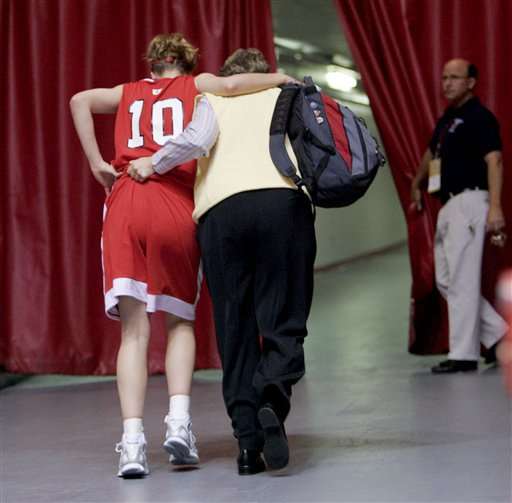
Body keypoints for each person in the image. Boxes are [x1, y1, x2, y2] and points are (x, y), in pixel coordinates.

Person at [69, 33, 296, 478]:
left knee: (133, 329)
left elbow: (78, 99)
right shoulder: (197, 86)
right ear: (188, 62)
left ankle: (132, 443)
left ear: (151, 62)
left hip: (125, 201)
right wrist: (281, 76)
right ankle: (178, 421)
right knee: (179, 321)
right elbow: (232, 87)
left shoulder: (125, 93)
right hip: (172, 200)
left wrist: (97, 161)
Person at [128, 48, 316, 475]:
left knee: (235, 329)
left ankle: (248, 446)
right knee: (284, 317)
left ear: (229, 76)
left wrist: (150, 163)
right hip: (281, 204)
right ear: (264, 74)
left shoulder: (210, 99)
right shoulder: (285, 95)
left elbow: (194, 140)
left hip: (221, 214)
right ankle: (272, 394)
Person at [411, 58, 508, 374]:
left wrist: (495, 206)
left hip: (470, 201)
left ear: (471, 82)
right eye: (444, 77)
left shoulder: (480, 118)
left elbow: (494, 161)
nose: (447, 83)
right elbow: (431, 152)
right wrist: (417, 181)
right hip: (448, 206)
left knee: (462, 282)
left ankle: (464, 355)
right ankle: (500, 336)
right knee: (447, 279)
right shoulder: (448, 119)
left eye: (455, 77)